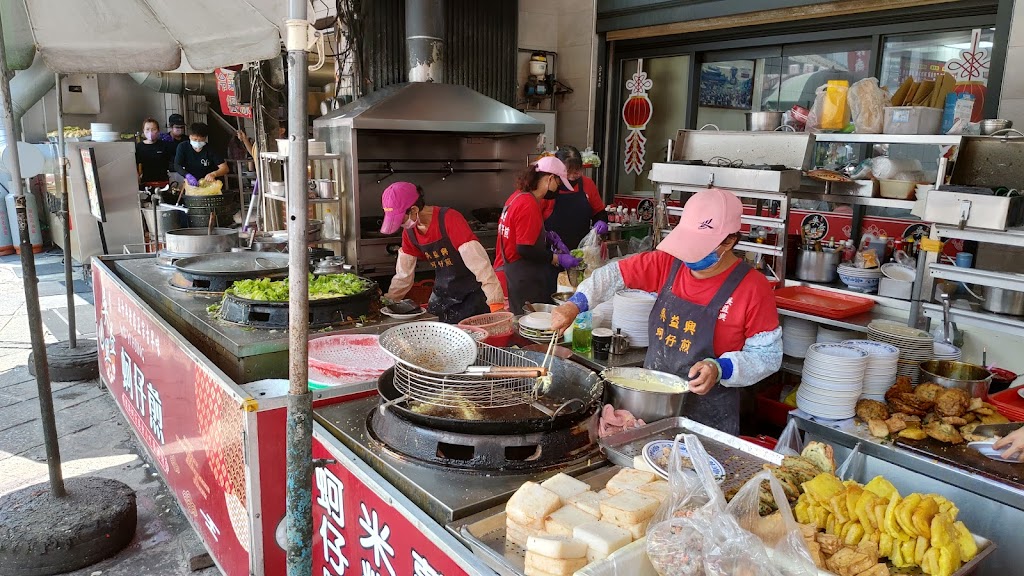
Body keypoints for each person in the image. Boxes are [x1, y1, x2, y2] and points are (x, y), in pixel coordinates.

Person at [550, 188, 781, 435]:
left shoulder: (753, 288)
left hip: (708, 417)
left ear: (729, 241)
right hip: (652, 404)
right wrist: (575, 304)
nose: (688, 254)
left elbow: (767, 356)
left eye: (699, 246)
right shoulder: (668, 264)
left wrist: (720, 368)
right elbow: (614, 274)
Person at [380, 182, 506, 323]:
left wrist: (496, 304)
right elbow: (404, 276)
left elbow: (482, 267)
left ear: (414, 209)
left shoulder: (450, 219)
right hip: (441, 295)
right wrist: (389, 301)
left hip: (471, 296)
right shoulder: (409, 233)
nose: (399, 224)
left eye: (399, 219)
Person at [494, 156, 582, 314]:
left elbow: (518, 232)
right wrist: (557, 258)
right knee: (528, 326)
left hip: (510, 274)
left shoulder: (517, 196)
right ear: (550, 179)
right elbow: (525, 249)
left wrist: (545, 236)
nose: (558, 189)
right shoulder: (528, 204)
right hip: (521, 279)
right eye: (559, 183)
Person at [542, 145, 609, 253]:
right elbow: (535, 222)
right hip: (552, 253)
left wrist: (601, 223)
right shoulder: (548, 188)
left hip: (583, 250)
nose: (572, 176)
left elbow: (599, 212)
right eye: (568, 172)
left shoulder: (588, 184)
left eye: (577, 171)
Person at [174, 123, 228, 187]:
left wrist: (214, 174)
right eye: (195, 139)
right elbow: (177, 165)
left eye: (201, 140)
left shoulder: (211, 149)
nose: (197, 142)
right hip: (191, 183)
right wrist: (187, 175)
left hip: (209, 183)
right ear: (190, 136)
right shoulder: (183, 147)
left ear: (205, 138)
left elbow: (225, 168)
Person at [135, 118, 176, 187]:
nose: (150, 132)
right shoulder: (139, 147)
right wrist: (136, 177)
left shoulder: (165, 145)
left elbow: (174, 162)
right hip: (146, 183)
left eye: (153, 129)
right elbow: (134, 164)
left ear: (158, 131)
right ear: (143, 131)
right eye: (147, 129)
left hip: (163, 182)